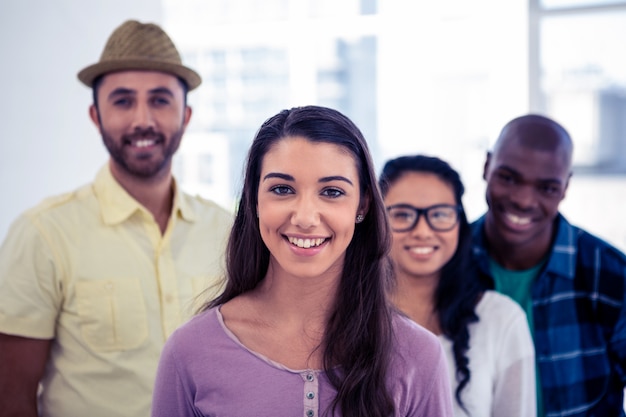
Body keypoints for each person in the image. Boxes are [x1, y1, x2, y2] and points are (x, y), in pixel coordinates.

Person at [151, 105, 454, 417]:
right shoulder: (190, 351)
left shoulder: (418, 355)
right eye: (282, 189)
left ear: (362, 205)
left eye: (332, 192)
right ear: (254, 199)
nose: (306, 218)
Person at [0, 20, 233, 417]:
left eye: (160, 100)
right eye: (123, 101)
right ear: (95, 115)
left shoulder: (227, 231)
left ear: (187, 115)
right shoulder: (43, 234)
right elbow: (10, 395)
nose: (142, 119)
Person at [472, 114, 626, 417]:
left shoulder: (611, 275)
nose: (524, 200)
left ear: (566, 187)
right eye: (508, 178)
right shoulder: (444, 264)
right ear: (486, 166)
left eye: (547, 188)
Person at [379, 154, 536, 417]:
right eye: (403, 214)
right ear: (376, 221)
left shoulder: (502, 320)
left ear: (460, 224)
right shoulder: (346, 317)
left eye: (440, 214)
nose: (422, 231)